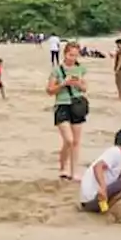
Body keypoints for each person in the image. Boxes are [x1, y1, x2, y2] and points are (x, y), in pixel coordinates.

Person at [47, 42, 88, 180]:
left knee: (76, 141)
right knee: (68, 140)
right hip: (62, 105)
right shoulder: (57, 70)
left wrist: (78, 84)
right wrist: (63, 83)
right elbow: (50, 90)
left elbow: (85, 88)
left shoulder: (80, 69)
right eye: (70, 55)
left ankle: (74, 171)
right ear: (65, 53)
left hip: (77, 104)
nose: (73, 58)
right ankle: (63, 166)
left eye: (76, 55)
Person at [81, 128, 121, 213]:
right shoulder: (116, 152)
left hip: (86, 201)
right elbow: (98, 167)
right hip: (93, 200)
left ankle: (103, 208)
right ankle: (106, 210)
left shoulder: (112, 153)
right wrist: (103, 187)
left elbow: (119, 174)